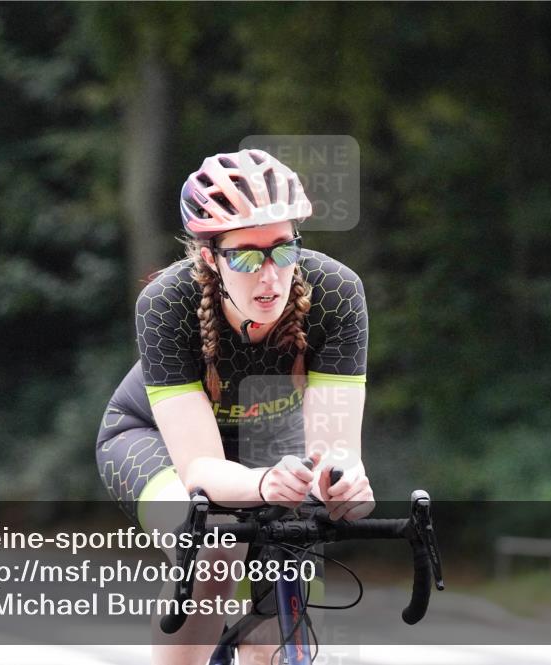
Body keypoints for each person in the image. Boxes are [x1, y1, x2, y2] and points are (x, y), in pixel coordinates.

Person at [95, 148, 374, 664]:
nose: (269, 276)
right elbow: (200, 469)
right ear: (209, 257)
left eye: (284, 250)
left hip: (266, 439)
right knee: (214, 550)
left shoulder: (336, 293)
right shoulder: (165, 303)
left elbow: (335, 451)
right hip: (150, 439)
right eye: (246, 256)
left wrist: (344, 482)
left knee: (283, 563)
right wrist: (267, 484)